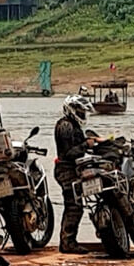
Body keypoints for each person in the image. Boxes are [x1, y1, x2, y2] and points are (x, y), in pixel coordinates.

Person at [54, 94, 96, 254]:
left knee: (75, 205)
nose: (83, 114)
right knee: (73, 206)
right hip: (66, 170)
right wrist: (86, 144)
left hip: (71, 169)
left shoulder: (71, 125)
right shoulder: (66, 126)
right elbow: (69, 152)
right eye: (80, 110)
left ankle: (68, 240)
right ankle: (67, 242)